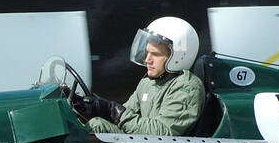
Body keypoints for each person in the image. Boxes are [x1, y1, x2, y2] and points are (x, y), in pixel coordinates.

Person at [74, 16, 205, 136]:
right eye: (147, 52)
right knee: (95, 123)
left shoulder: (187, 86)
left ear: (178, 57)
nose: (148, 59)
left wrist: (114, 112)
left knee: (98, 126)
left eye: (156, 54)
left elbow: (163, 133)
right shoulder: (148, 82)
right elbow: (126, 114)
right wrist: (97, 108)